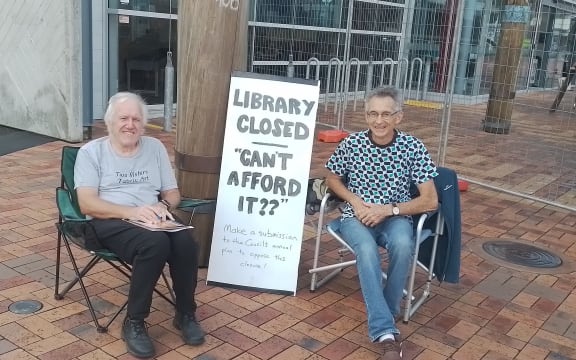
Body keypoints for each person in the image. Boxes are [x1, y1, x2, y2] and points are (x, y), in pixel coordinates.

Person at [74, 92, 204, 359]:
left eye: (136, 119)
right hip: (110, 220)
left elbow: (173, 194)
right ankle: (134, 322)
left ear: (143, 124)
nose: (130, 125)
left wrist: (163, 207)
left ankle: (185, 313)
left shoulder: (154, 148)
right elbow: (87, 204)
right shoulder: (91, 153)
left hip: (153, 217)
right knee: (153, 244)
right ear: (110, 121)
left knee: (186, 242)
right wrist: (132, 212)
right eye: (124, 118)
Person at [325, 86, 438, 360]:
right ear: (365, 115)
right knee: (366, 250)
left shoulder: (412, 147)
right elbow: (331, 178)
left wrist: (387, 210)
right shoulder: (351, 144)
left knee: (402, 243)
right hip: (357, 216)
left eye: (386, 114)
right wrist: (354, 200)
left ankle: (384, 312)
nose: (379, 120)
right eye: (373, 113)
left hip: (395, 215)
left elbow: (431, 200)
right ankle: (385, 330)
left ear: (399, 116)